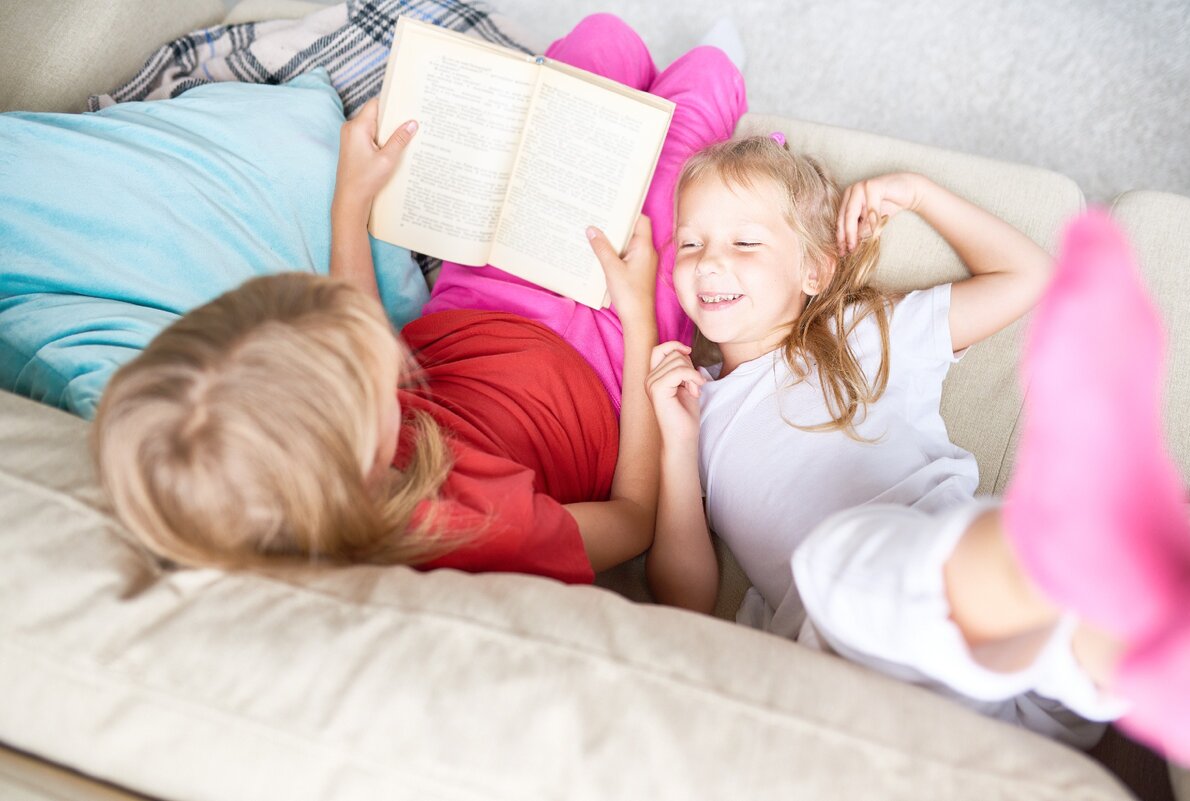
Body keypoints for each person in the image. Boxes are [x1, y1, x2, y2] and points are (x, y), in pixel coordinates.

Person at [91, 15, 746, 584]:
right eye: (359, 364)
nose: (370, 344)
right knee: (699, 106)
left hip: (479, 303)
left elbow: (361, 334)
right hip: (605, 359)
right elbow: (632, 522)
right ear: (356, 449)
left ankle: (659, 68)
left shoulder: (315, 449)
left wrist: (350, 202)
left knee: (601, 48)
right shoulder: (479, 530)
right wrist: (638, 320)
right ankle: (717, 65)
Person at [644, 134, 1190, 761]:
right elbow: (684, 595)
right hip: (866, 679)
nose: (709, 263)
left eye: (744, 242)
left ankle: (1136, 620)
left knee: (894, 573)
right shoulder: (698, 409)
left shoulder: (862, 334)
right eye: (690, 244)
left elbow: (1027, 277)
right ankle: (1083, 550)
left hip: (996, 638)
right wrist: (677, 440)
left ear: (815, 269)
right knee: (847, 569)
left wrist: (920, 193)